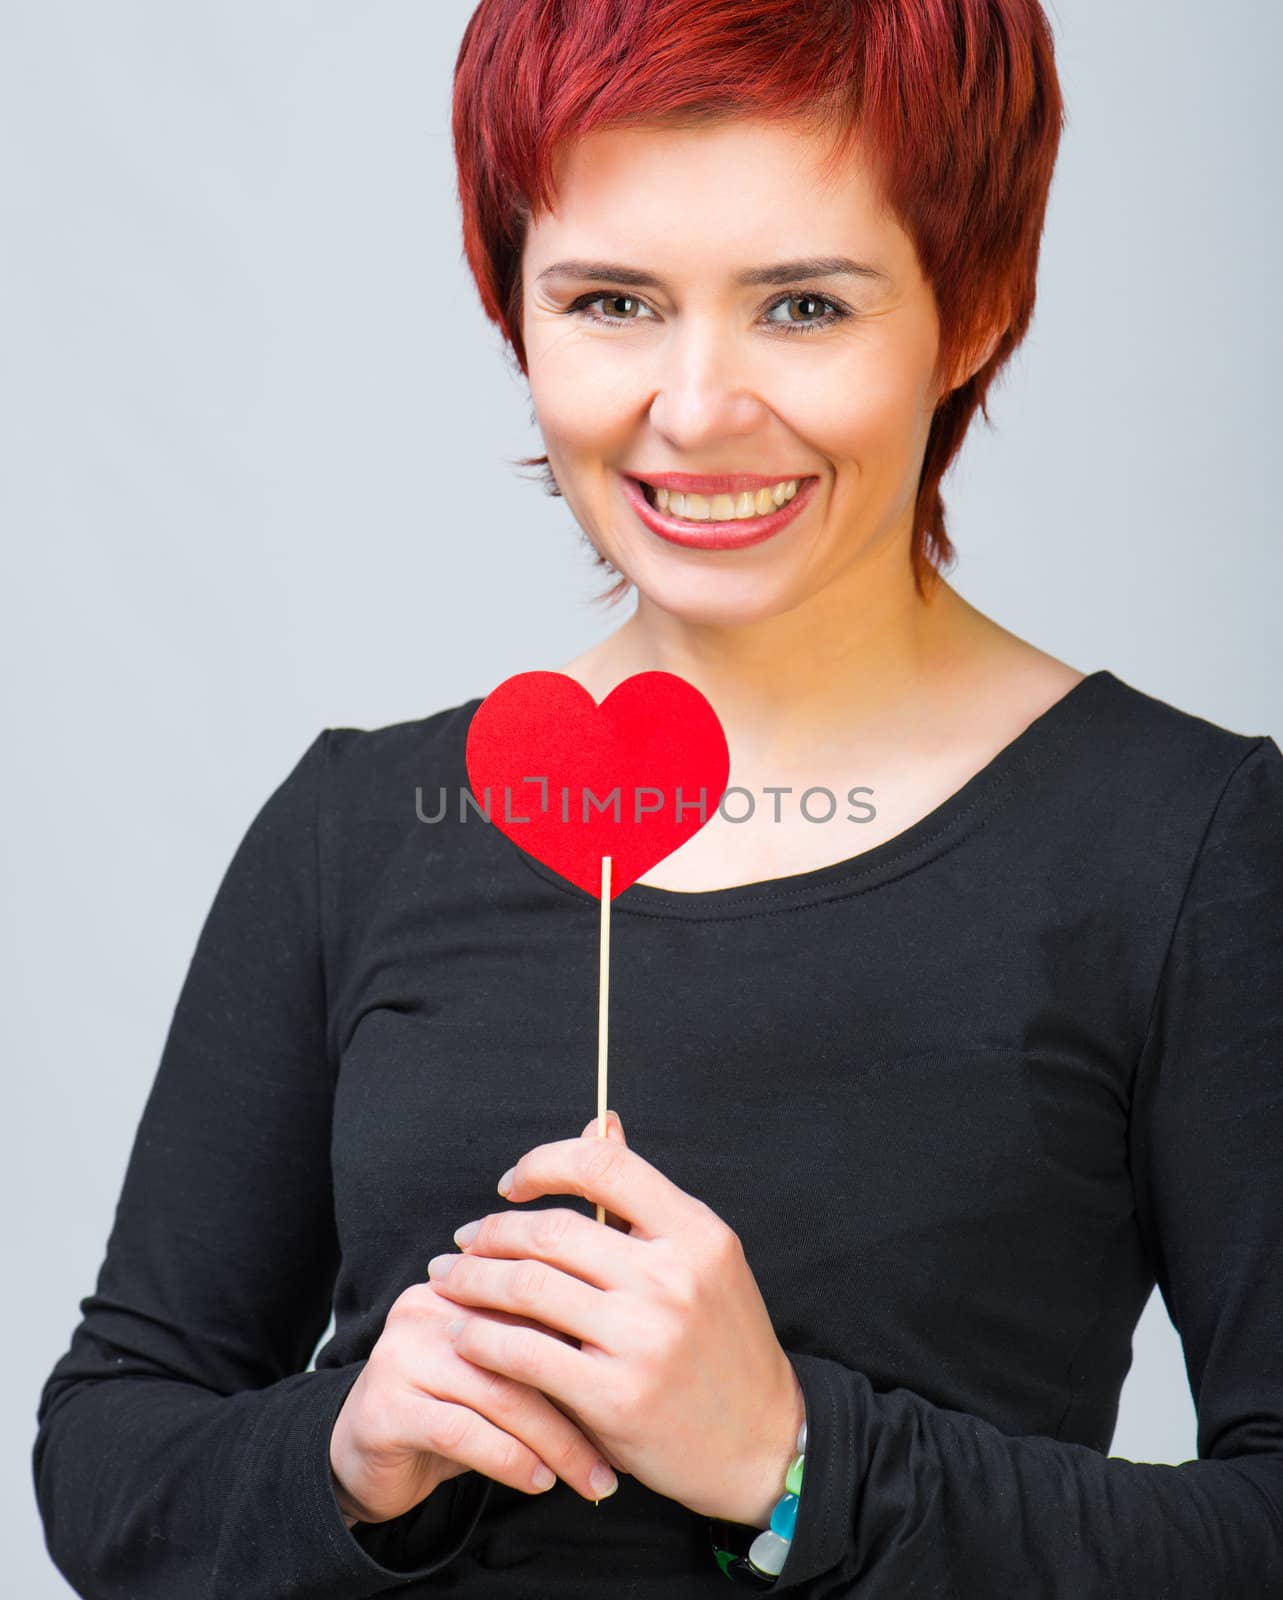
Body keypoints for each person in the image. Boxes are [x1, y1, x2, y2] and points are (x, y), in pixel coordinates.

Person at [33, 0, 1282, 1595]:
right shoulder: (357, 828)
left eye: (805, 307)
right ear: (517, 310)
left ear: (972, 312)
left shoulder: (1188, 846)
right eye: (614, 301)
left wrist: (797, 1466)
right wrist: (348, 1460)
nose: (694, 413)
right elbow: (112, 1449)